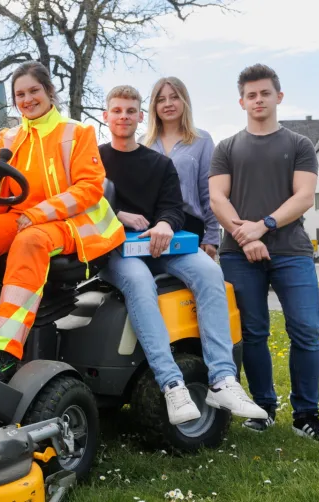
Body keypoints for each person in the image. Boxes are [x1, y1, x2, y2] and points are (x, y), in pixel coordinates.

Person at [0, 61, 124, 382]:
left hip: (66, 223)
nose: (27, 99)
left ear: (49, 91)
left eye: (34, 91)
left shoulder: (77, 132)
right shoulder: (10, 137)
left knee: (29, 241)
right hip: (18, 217)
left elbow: (89, 188)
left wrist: (38, 214)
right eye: (20, 94)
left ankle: (5, 352)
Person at [98, 85, 267, 426]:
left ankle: (222, 379)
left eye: (131, 111)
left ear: (140, 117)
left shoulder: (159, 163)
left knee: (208, 272)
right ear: (106, 116)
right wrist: (118, 214)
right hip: (117, 251)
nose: (124, 117)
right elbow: (84, 202)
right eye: (117, 111)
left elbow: (174, 208)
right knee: (139, 281)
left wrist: (163, 223)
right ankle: (172, 384)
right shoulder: (94, 159)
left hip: (162, 247)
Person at [209, 64, 319, 442]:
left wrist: (263, 225)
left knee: (306, 331)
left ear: (278, 97)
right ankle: (263, 408)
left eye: (265, 93)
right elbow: (218, 198)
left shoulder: (299, 144)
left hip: (291, 251)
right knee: (252, 333)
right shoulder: (227, 147)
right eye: (251, 95)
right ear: (241, 101)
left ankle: (306, 415)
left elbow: (304, 197)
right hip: (238, 253)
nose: (258, 100)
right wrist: (245, 236)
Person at [142, 77, 220, 259]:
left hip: (189, 228)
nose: (168, 104)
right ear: (154, 105)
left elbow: (209, 193)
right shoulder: (143, 143)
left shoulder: (202, 140)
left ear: (184, 101)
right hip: (149, 230)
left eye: (174, 97)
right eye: (161, 100)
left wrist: (212, 236)